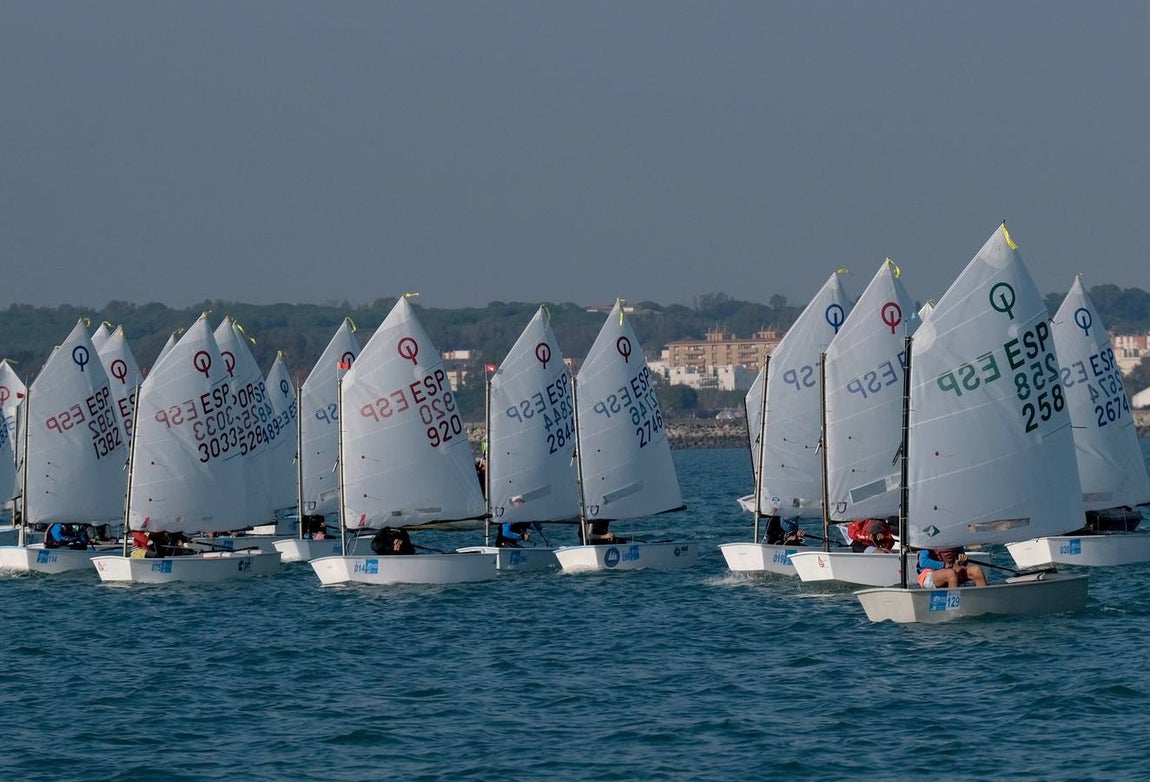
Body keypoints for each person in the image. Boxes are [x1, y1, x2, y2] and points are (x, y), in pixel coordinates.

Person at [917, 547, 987, 588]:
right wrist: (944, 565)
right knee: (951, 574)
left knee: (977, 570)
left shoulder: (954, 537)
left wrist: (961, 562)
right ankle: (953, 611)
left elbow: (961, 561)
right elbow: (923, 562)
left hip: (953, 571)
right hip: (931, 575)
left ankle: (985, 601)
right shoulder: (931, 538)